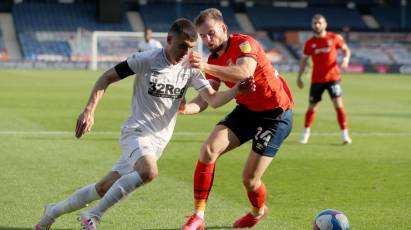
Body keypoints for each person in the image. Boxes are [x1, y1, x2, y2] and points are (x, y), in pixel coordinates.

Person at [34, 18, 255, 230]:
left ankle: (51, 213)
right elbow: (106, 77)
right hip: (136, 132)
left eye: (190, 48)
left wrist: (236, 90)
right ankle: (93, 216)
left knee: (102, 188)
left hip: (158, 142)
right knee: (149, 171)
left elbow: (212, 100)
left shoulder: (191, 67)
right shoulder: (147, 59)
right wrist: (89, 110)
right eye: (181, 46)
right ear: (169, 40)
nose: (185, 53)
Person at [180, 8, 294, 229]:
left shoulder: (245, 43)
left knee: (249, 180)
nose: (207, 39)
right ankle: (198, 216)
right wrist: (186, 109)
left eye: (211, 33)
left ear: (223, 28)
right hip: (248, 110)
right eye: (202, 36)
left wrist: (203, 65)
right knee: (208, 150)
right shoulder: (214, 59)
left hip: (275, 115)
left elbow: (244, 73)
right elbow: (209, 100)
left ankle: (258, 212)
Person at [296, 14, 352, 144]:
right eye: (315, 23)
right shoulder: (310, 43)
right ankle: (306, 132)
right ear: (312, 25)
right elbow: (303, 61)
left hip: (333, 78)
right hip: (317, 80)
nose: (317, 25)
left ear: (325, 24)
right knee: (312, 107)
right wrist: (299, 77)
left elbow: (346, 50)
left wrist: (346, 59)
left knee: (338, 104)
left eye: (319, 23)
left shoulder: (334, 38)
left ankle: (345, 134)